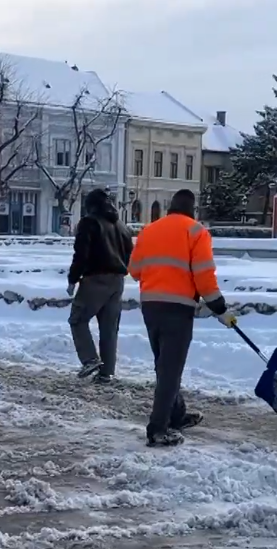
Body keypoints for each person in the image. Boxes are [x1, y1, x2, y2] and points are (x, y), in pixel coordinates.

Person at [127, 189, 232, 447]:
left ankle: (176, 415)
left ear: (170, 208)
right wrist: (219, 307)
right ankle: (158, 429)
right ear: (192, 210)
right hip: (178, 309)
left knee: (164, 365)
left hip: (150, 306)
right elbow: (204, 276)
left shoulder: (149, 230)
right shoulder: (196, 232)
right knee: (170, 370)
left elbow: (135, 271)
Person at [67, 188, 132, 384]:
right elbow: (130, 253)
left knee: (78, 319)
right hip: (118, 281)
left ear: (91, 206)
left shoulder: (89, 223)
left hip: (95, 279)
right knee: (109, 328)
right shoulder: (122, 226)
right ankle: (106, 373)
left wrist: (73, 278)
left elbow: (81, 253)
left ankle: (90, 360)